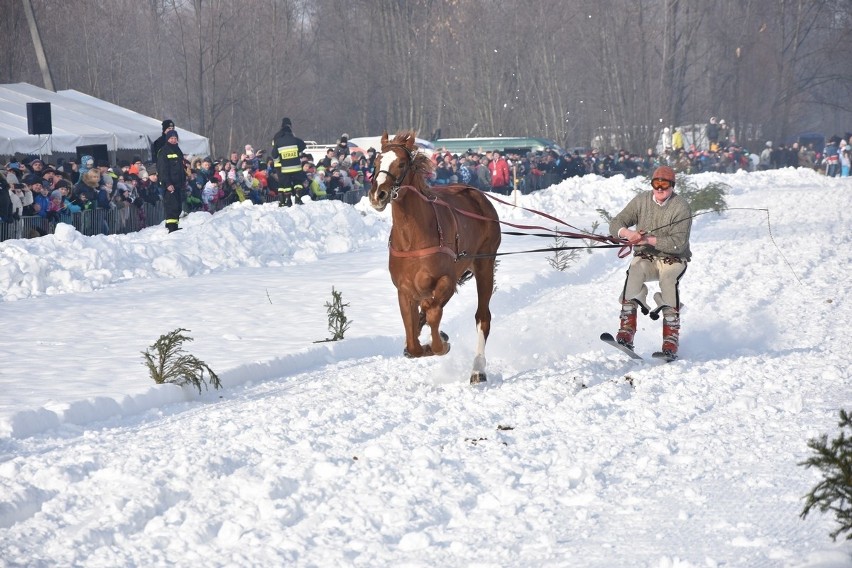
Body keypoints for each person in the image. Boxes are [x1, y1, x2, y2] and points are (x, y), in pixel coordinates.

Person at [609, 165, 692, 359]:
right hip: (646, 257)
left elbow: (678, 244)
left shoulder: (681, 207)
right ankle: (627, 331)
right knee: (635, 270)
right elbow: (616, 223)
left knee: (668, 280)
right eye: (656, 184)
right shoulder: (641, 200)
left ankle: (670, 339)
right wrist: (629, 234)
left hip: (673, 258)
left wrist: (647, 239)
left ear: (672, 186)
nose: (660, 189)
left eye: (665, 184)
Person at [270, 117, 307, 207]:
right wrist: (297, 151)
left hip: (283, 166)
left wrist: (278, 160)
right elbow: (302, 145)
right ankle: (297, 197)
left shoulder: (277, 137)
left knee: (284, 183)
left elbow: (274, 152)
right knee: (297, 181)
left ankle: (285, 200)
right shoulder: (294, 138)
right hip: (295, 165)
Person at [156, 130, 187, 232]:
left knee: (177, 207)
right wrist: (167, 183)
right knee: (171, 207)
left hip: (178, 184)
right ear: (167, 139)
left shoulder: (178, 150)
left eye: (175, 138)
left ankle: (175, 226)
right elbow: (162, 170)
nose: (173, 140)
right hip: (169, 185)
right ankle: (171, 228)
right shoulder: (163, 151)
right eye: (171, 138)